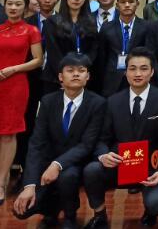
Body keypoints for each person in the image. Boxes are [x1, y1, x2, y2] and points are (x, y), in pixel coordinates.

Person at [82, 47, 158, 228]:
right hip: (119, 165)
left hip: (150, 169)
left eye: (143, 68)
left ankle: (150, 212)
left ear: (152, 72)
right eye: (132, 68)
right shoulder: (112, 101)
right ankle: (100, 215)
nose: (138, 74)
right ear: (125, 72)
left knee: (156, 203)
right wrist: (103, 155)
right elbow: (102, 139)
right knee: (92, 170)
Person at [13, 53, 106, 229]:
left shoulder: (97, 103)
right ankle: (51, 212)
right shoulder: (48, 101)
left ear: (88, 76)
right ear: (60, 77)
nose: (76, 74)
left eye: (81, 71)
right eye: (70, 70)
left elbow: (87, 144)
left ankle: (70, 216)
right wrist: (29, 185)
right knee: (21, 210)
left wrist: (57, 164)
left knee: (67, 176)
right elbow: (36, 143)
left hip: (78, 162)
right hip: (48, 162)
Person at [0, 0, 43, 207]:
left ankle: (2, 184)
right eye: (10, 4)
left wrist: (14, 68)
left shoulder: (31, 30)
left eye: (18, 4)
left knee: (9, 134)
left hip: (16, 84)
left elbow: (38, 60)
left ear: (25, 7)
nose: (13, 8)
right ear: (5, 6)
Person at [17, 0, 62, 183]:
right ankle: (25, 169)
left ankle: (51, 167)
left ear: (57, 0)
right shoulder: (26, 23)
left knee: (52, 121)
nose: (47, 0)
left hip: (53, 79)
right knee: (26, 120)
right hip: (29, 77)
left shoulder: (63, 22)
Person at [42, 0, 99, 94]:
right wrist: (65, 76)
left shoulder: (92, 21)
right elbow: (54, 53)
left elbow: (93, 50)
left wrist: (82, 71)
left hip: (83, 77)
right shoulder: (52, 21)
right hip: (57, 78)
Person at [97, 0, 148, 96]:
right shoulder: (107, 27)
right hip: (111, 80)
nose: (127, 5)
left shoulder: (146, 26)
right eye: (123, 2)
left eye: (131, 2)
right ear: (117, 5)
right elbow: (101, 56)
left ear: (137, 4)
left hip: (137, 78)